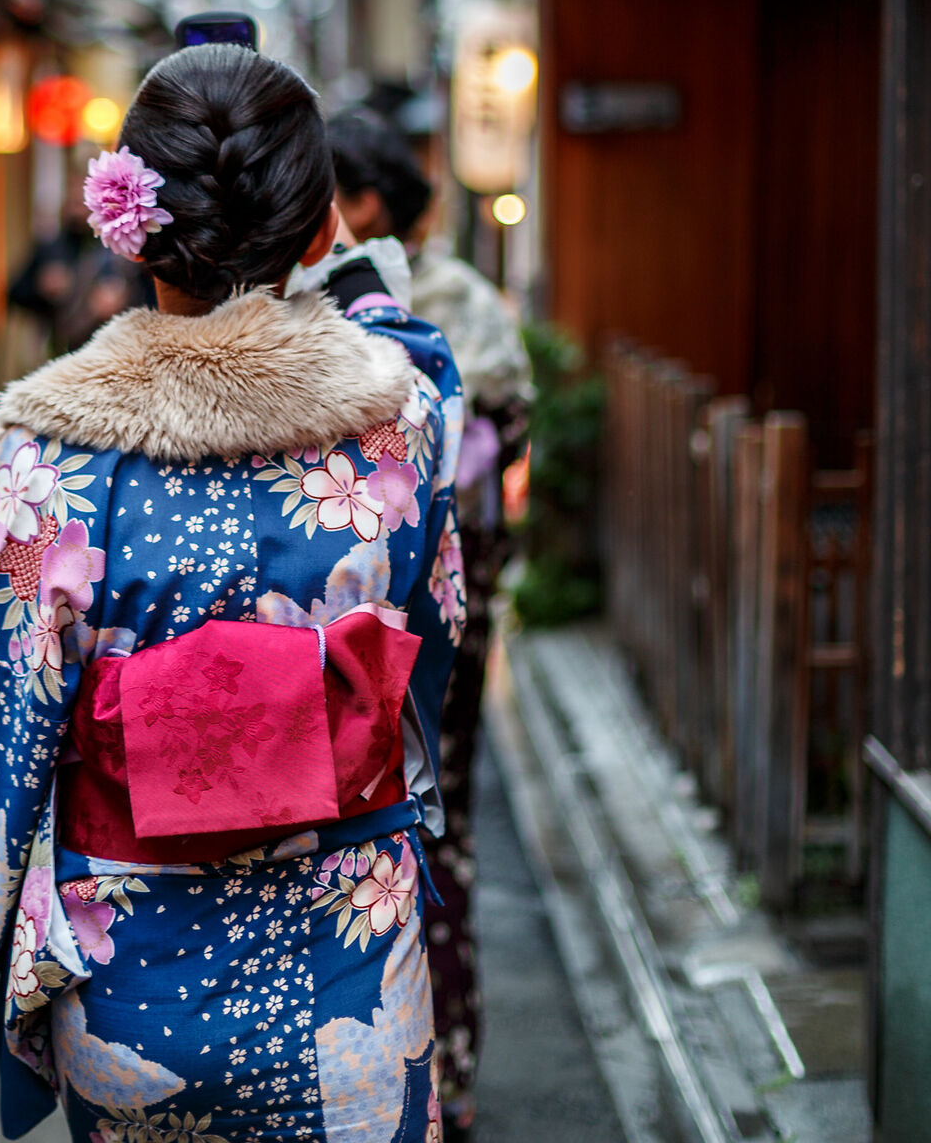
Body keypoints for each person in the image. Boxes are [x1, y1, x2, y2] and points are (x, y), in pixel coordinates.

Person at [0, 44, 469, 1143]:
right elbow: (432, 639)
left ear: (129, 228)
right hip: (348, 958)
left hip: (133, 983)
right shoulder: (398, 423)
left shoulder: (53, 460)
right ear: (321, 231)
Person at [325, 108, 530, 1141]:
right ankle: (448, 1066)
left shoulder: (365, 302)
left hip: (382, 615)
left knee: (377, 825)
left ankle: (401, 1066)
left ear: (357, 205)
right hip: (454, 596)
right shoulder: (468, 301)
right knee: (441, 832)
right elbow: (514, 440)